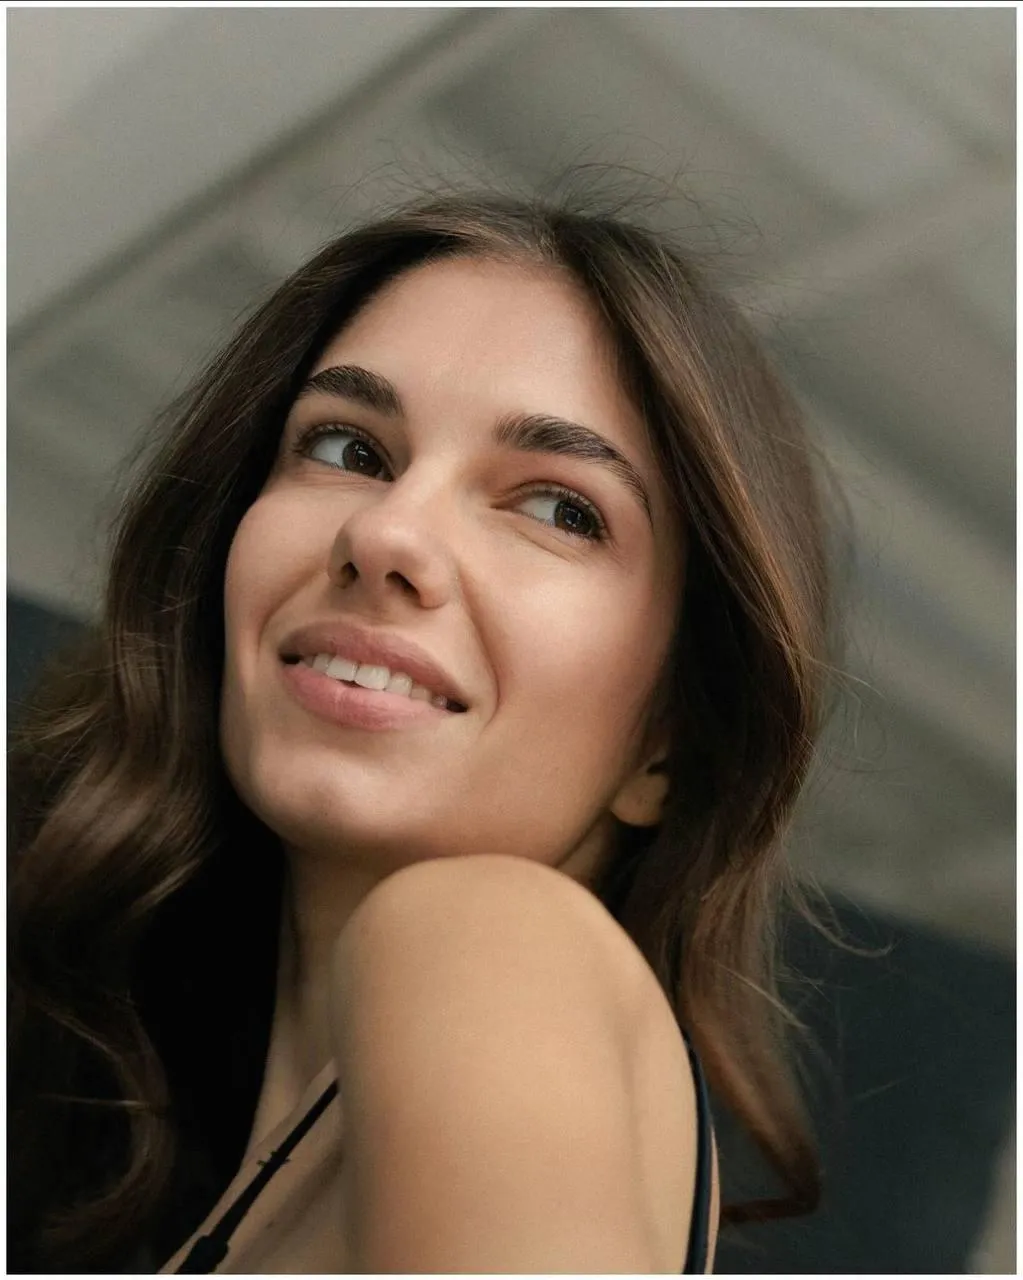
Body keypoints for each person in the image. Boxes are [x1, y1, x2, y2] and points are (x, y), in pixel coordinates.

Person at [9, 190, 835, 1274]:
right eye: (348, 446)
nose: (385, 530)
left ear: (673, 741)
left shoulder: (487, 929)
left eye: (558, 507)